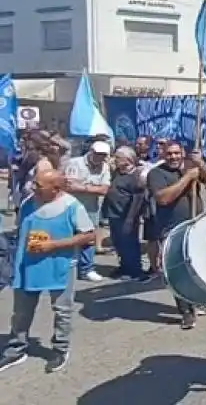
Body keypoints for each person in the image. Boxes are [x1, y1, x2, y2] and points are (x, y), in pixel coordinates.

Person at [0, 170, 96, 373]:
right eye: (34, 183)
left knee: (62, 310)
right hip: (28, 264)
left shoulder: (72, 206)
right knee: (21, 311)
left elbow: (89, 236)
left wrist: (54, 245)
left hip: (59, 265)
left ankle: (60, 348)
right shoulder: (28, 202)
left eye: (39, 186)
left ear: (56, 189)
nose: (33, 188)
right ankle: (17, 348)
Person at [146, 141, 206, 329]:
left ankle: (202, 299)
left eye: (177, 153)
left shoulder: (193, 167)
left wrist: (201, 164)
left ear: (183, 153)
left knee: (202, 266)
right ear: (164, 154)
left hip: (197, 225)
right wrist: (187, 178)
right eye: (169, 154)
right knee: (177, 271)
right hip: (172, 229)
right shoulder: (156, 173)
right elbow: (163, 198)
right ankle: (186, 312)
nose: (173, 157)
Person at [62, 140, 111, 282]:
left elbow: (104, 189)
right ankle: (67, 268)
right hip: (70, 206)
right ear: (91, 151)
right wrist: (90, 188)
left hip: (91, 208)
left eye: (103, 155)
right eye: (97, 154)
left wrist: (82, 187)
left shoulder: (104, 167)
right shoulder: (74, 163)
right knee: (68, 236)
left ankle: (86, 269)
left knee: (89, 238)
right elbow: (69, 186)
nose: (100, 157)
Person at [102, 146, 147, 280]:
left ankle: (134, 271)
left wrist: (130, 219)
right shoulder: (118, 172)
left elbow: (137, 199)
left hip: (126, 215)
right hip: (114, 214)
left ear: (127, 159)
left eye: (118, 158)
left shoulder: (136, 175)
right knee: (118, 242)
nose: (115, 160)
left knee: (129, 243)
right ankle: (124, 267)